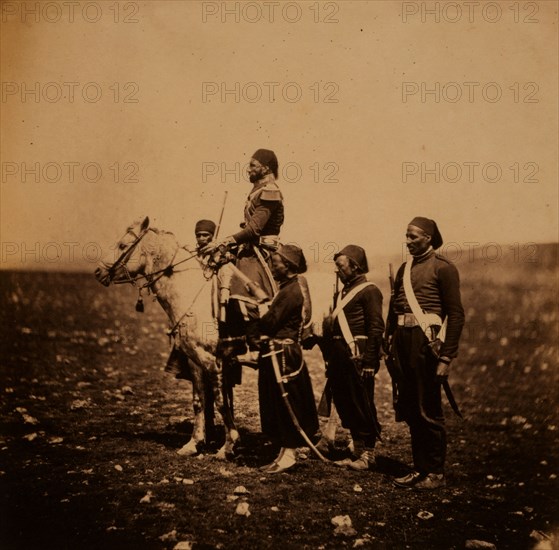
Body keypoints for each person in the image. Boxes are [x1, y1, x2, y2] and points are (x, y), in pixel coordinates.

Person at [386, 217, 465, 490]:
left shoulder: (444, 269)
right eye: (406, 236)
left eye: (413, 237)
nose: (407, 241)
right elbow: (394, 306)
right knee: (410, 407)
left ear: (428, 238)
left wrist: (446, 357)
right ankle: (419, 468)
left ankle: (435, 472)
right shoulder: (404, 269)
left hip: (425, 344)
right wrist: (388, 337)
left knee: (427, 408)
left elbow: (455, 315)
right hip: (402, 342)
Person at [203, 149, 284, 361]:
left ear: (265, 168)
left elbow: (254, 229)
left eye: (253, 165)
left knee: (242, 290)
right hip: (249, 248)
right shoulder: (257, 191)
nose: (248, 169)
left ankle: (255, 346)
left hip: (263, 250)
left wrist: (223, 241)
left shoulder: (270, 191)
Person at [257, 244, 319, 474]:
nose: (272, 267)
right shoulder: (287, 288)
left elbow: (270, 322)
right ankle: (284, 451)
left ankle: (290, 454)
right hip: (279, 352)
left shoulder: (291, 292)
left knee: (286, 402)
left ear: (288, 266)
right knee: (278, 402)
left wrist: (258, 312)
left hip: (283, 355)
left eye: (276, 263)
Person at [321, 245, 384, 471]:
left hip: (357, 354)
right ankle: (357, 451)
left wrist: (369, 361)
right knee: (345, 402)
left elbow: (376, 327)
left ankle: (369, 455)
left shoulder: (370, 291)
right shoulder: (341, 293)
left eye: (341, 266)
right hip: (340, 355)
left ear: (355, 266)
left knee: (362, 403)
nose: (337, 271)